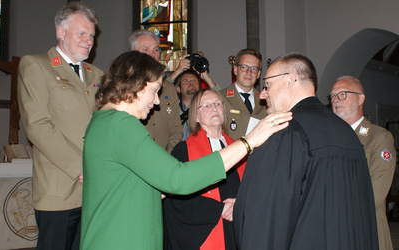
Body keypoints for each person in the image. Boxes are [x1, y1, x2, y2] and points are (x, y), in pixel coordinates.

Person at [80, 51, 292, 249]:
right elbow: (178, 178)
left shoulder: (103, 121)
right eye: (155, 91)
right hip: (121, 239)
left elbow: (131, 183)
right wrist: (249, 141)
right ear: (135, 84)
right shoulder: (120, 124)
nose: (156, 102)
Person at [233, 52, 379, 249]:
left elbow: (265, 220)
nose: (263, 93)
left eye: (267, 85)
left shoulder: (285, 132)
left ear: (290, 81)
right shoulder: (347, 132)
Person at [17, 2, 104, 249]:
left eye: (92, 35)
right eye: (82, 33)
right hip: (59, 189)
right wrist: (81, 168)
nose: (89, 41)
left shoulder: (96, 74)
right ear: (61, 32)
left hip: (93, 189)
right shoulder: (36, 65)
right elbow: (38, 125)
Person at [163, 89, 245, 249]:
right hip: (202, 233)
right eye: (206, 106)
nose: (214, 108)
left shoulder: (238, 148)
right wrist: (219, 210)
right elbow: (176, 201)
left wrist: (241, 205)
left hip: (235, 231)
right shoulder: (183, 150)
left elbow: (251, 188)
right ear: (196, 116)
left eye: (217, 104)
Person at [331, 75, 396, 250]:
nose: (336, 100)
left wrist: (331, 208)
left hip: (366, 226)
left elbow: (376, 192)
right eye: (333, 96)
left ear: (361, 98)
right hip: (335, 230)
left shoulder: (379, 137)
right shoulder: (330, 139)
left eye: (343, 94)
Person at [129, 29, 182, 152]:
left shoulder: (167, 88)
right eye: (145, 49)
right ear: (133, 53)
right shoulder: (124, 86)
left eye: (156, 50)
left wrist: (166, 157)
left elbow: (176, 130)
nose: (152, 54)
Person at [219, 48, 268, 140]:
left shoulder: (265, 101)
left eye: (254, 68)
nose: (249, 72)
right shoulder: (220, 98)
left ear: (258, 74)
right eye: (244, 67)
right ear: (235, 70)